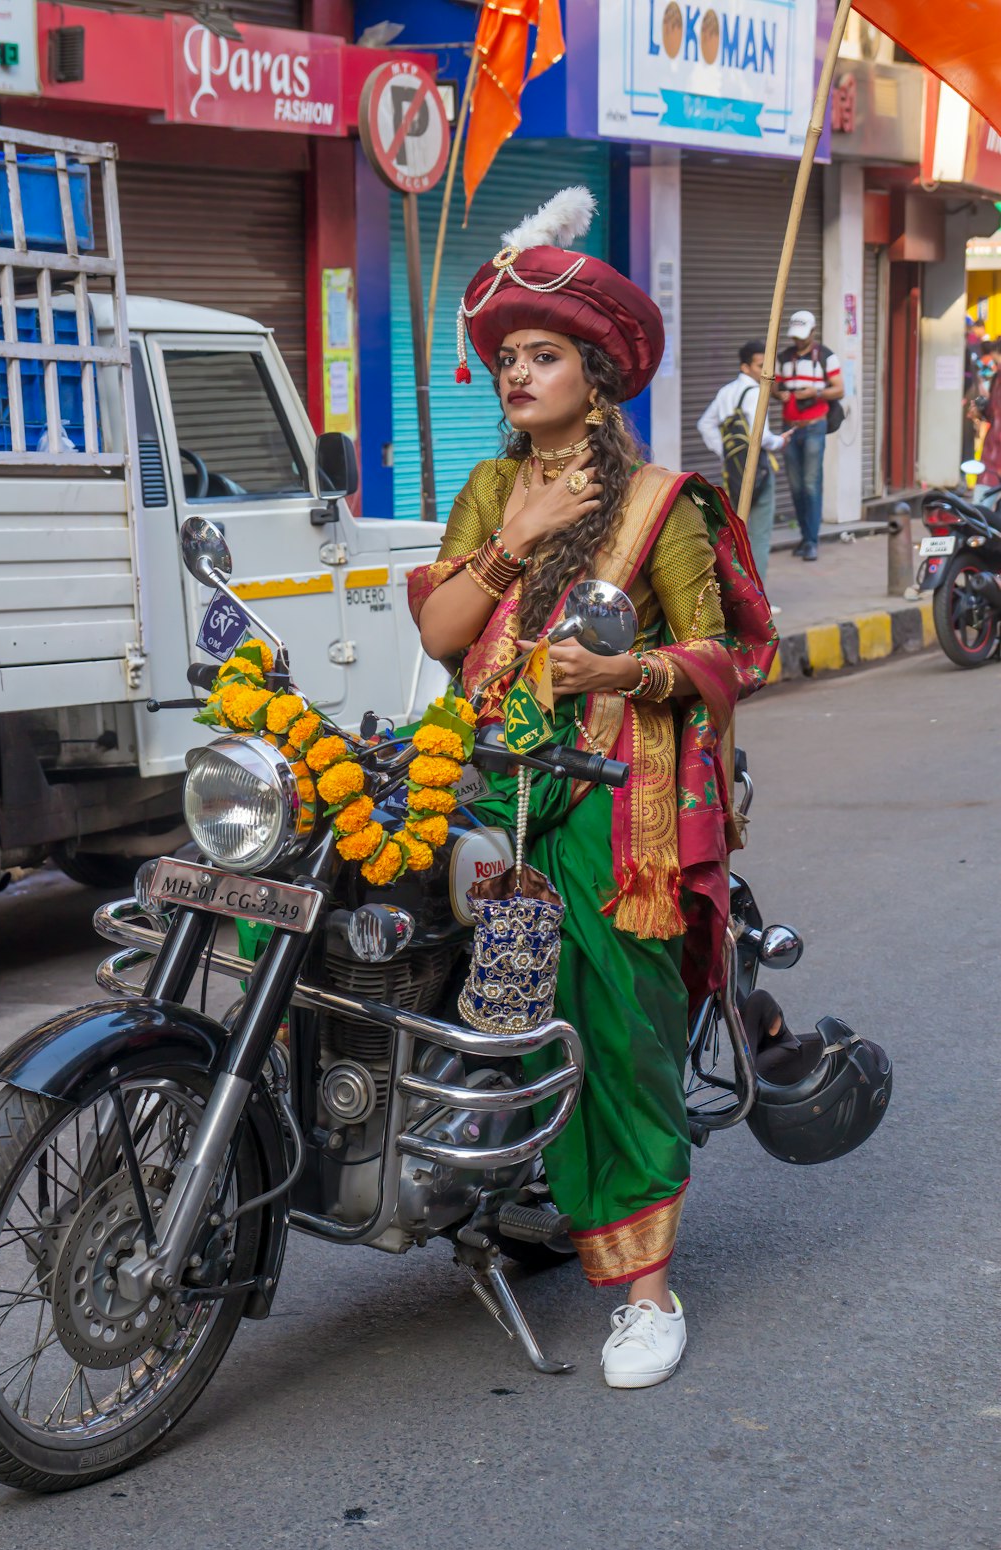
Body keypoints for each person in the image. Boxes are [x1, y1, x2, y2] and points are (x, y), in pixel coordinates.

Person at [408, 189, 776, 1389]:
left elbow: (732, 658)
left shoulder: (663, 504)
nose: (518, 372)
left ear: (596, 373)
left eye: (543, 354)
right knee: (514, 1016)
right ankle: (510, 1200)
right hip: (500, 803)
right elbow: (439, 630)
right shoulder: (488, 489)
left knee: (619, 1036)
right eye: (507, 356)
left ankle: (646, 1291)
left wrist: (628, 666)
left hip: (624, 813)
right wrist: (516, 536)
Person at [696, 339, 793, 585]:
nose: (766, 372)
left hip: (732, 472)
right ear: (745, 367)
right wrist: (781, 442)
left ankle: (738, 592)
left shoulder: (726, 391)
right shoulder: (755, 393)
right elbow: (762, 436)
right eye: (761, 365)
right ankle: (759, 600)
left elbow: (704, 424)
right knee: (759, 534)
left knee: (736, 533)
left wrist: (726, 453)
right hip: (758, 470)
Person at [775, 310, 844, 561]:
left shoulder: (826, 356)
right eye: (795, 337)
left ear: (813, 333)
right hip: (790, 426)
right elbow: (775, 385)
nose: (798, 342)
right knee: (795, 486)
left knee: (810, 484)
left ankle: (811, 541)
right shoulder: (783, 357)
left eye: (803, 337)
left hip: (815, 425)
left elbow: (839, 390)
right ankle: (804, 537)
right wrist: (778, 394)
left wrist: (815, 392)